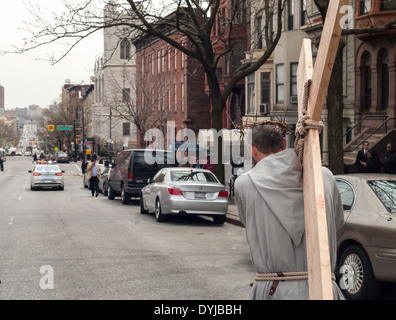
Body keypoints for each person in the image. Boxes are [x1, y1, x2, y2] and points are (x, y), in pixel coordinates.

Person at [234, 123, 345, 300]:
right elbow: (338, 223)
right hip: (323, 290)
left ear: (252, 150)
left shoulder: (244, 184)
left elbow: (248, 223)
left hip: (275, 290)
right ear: (284, 144)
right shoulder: (325, 176)